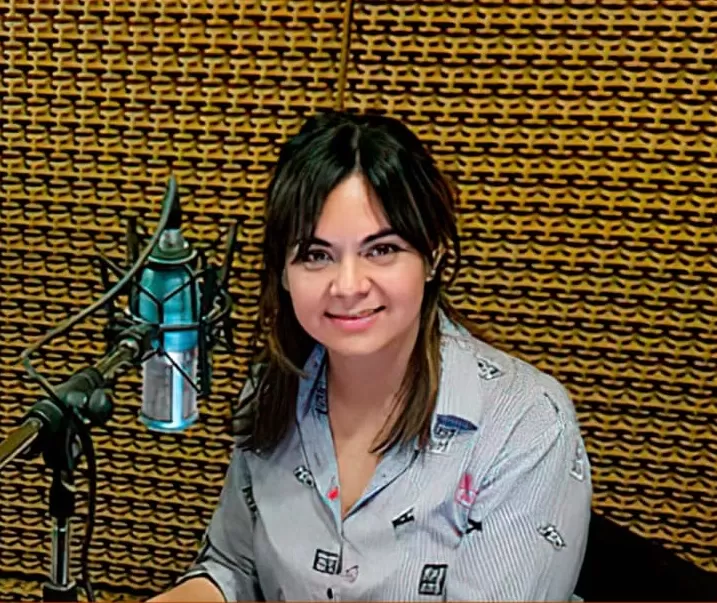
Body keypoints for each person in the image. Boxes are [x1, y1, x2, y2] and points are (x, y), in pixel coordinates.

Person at [150, 111, 592, 602]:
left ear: (433, 255)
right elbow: (234, 567)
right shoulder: (276, 387)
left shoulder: (524, 423)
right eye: (316, 255)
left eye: (381, 250)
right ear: (283, 272)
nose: (348, 286)